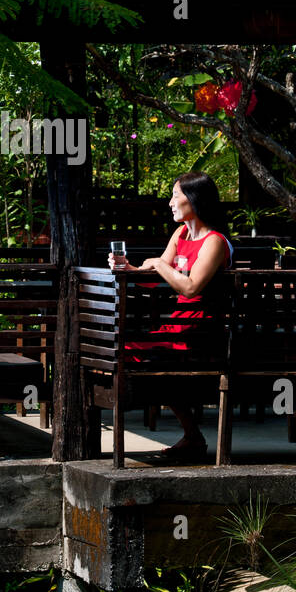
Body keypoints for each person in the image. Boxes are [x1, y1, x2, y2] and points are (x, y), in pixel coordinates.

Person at [107, 172, 233, 465]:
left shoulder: (214, 242)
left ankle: (189, 434)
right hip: (178, 327)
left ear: (195, 199)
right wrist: (129, 269)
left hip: (201, 332)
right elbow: (156, 276)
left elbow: (190, 287)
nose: (170, 203)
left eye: (176, 195)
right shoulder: (182, 235)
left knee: (147, 358)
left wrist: (157, 264)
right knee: (125, 351)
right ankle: (191, 435)